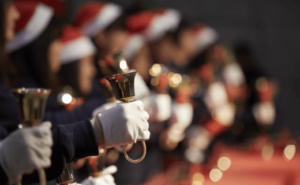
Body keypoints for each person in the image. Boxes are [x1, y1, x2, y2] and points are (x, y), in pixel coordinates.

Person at [0, 1, 151, 184]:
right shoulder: (18, 90)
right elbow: (47, 128)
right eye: (55, 39)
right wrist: (100, 122)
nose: (60, 47)